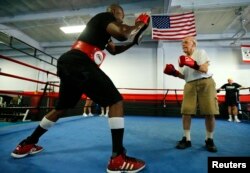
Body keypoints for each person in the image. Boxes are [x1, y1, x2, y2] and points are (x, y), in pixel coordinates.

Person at [11, 4, 150, 173]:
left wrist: (133, 42)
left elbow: (114, 50)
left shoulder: (103, 35)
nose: (122, 18)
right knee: (116, 101)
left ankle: (27, 144)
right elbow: (122, 33)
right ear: (115, 12)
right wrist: (139, 24)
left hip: (70, 64)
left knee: (60, 109)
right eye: (121, 15)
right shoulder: (104, 17)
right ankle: (118, 158)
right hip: (80, 62)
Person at [164, 36, 219, 152]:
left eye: (185, 42)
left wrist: (192, 63)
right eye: (182, 43)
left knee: (209, 112)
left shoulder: (200, 53)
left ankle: (209, 139)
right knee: (186, 112)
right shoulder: (181, 59)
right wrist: (174, 72)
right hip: (189, 84)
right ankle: (187, 139)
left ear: (193, 44)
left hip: (206, 83)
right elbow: (184, 76)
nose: (183, 44)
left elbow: (204, 69)